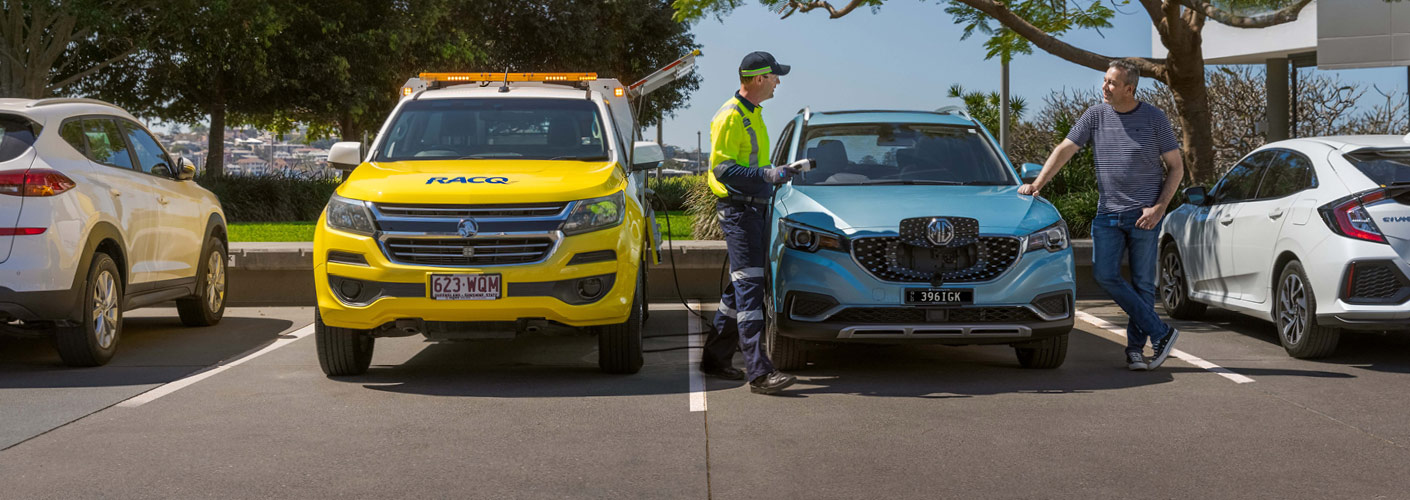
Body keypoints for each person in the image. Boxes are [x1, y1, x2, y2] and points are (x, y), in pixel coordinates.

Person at [1018, 59, 1184, 371]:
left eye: (1111, 82)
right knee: (1104, 275)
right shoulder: (1095, 115)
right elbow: (1065, 149)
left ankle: (1136, 351)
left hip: (1144, 215)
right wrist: (1038, 184)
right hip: (1107, 214)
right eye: (1105, 80)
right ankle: (1161, 333)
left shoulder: (1154, 118)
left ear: (1129, 88)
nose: (1104, 87)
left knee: (1143, 285)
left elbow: (1176, 167)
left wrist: (1160, 208)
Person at [698, 51, 809, 394]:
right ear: (760, 78)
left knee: (740, 286)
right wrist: (767, 173)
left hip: (754, 211)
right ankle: (759, 373)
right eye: (776, 76)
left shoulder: (753, 114)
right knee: (750, 289)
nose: (779, 81)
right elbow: (723, 170)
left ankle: (715, 359)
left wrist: (778, 174)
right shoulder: (731, 116)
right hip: (739, 212)